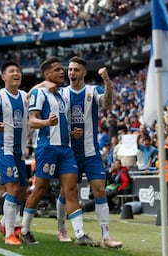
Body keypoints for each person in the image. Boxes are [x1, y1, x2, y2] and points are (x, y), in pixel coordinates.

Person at [20, 56, 93, 245]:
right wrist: (46, 122)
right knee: (40, 189)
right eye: (58, 69)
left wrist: (71, 132)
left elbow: (60, 123)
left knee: (71, 189)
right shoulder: (41, 93)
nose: (63, 72)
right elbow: (32, 120)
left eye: (63, 69)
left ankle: (79, 234)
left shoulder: (61, 96)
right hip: (47, 148)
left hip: (66, 149)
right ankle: (25, 229)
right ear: (47, 74)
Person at [60, 56, 123, 248]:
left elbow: (108, 103)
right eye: (70, 69)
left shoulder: (92, 91)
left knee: (100, 189)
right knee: (67, 192)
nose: (72, 73)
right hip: (69, 152)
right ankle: (61, 227)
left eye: (76, 70)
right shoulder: (62, 93)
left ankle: (106, 237)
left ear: (84, 73)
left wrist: (106, 81)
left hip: (91, 151)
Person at [0, 61, 29, 245]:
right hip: (3, 149)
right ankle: (10, 234)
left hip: (19, 152)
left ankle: (3, 223)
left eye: (18, 71)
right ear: (4, 77)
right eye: (12, 71)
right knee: (13, 188)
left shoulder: (25, 97)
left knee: (22, 192)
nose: (16, 73)